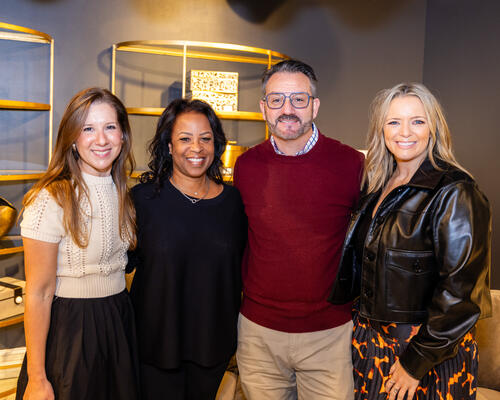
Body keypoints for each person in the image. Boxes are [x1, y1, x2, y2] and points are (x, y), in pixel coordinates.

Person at [329, 82, 492, 400]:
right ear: (382, 129)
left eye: (417, 120)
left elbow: (462, 295)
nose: (405, 132)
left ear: (434, 127)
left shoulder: (456, 191)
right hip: (371, 344)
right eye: (394, 121)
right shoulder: (378, 184)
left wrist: (415, 363)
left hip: (427, 353)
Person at [233, 59, 364, 399]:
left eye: (298, 99)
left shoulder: (351, 164)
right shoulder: (245, 166)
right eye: (276, 99)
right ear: (263, 107)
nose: (287, 109)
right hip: (259, 334)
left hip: (330, 335)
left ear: (315, 106)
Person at [16, 87, 139, 400]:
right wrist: (37, 378)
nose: (101, 140)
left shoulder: (125, 193)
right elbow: (39, 293)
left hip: (117, 320)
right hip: (71, 332)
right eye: (88, 128)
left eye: (110, 127)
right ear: (72, 137)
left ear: (123, 135)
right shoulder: (50, 200)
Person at [127, 98, 247, 400]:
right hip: (154, 346)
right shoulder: (141, 201)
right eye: (185, 138)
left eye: (206, 138)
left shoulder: (234, 203)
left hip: (213, 346)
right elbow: (118, 267)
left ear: (216, 145)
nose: (197, 148)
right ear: (169, 145)